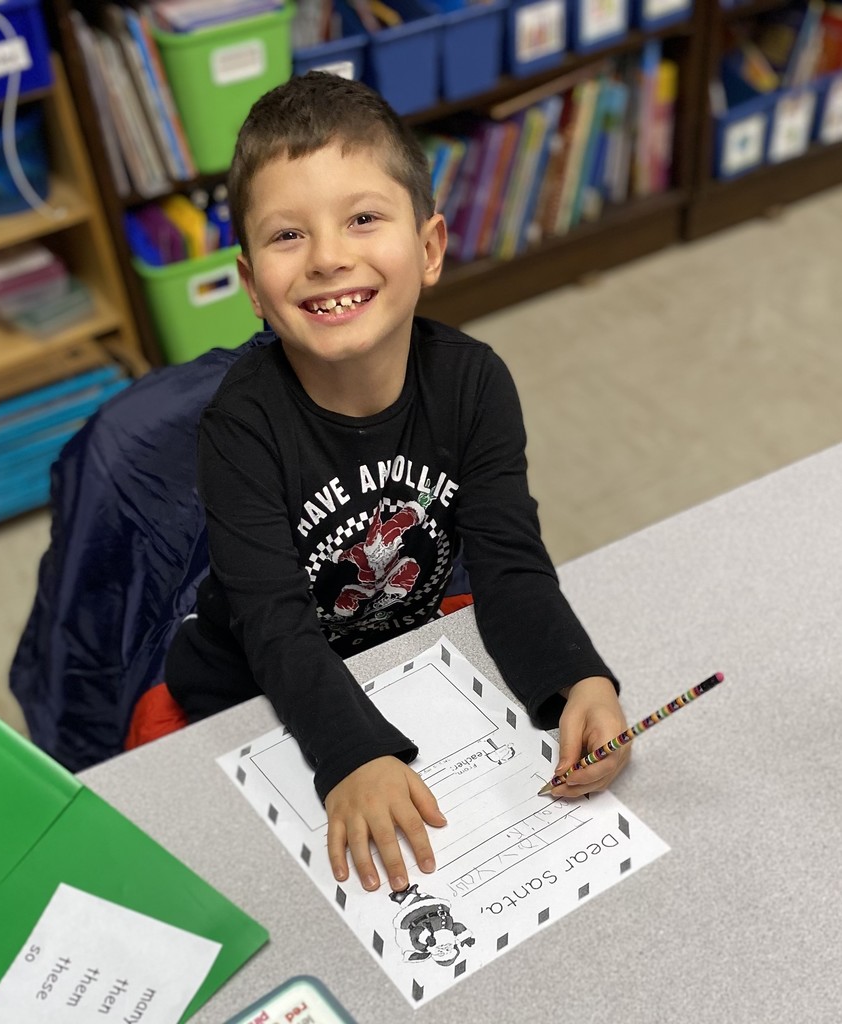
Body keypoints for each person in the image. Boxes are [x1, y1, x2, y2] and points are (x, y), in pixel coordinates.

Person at [165, 71, 631, 895]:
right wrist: (352, 754)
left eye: (363, 219)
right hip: (250, 687)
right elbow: (273, 628)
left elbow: (511, 567)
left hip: (396, 656)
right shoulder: (240, 427)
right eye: (287, 236)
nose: (328, 257)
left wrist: (578, 677)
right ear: (252, 287)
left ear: (429, 248)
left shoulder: (475, 385)